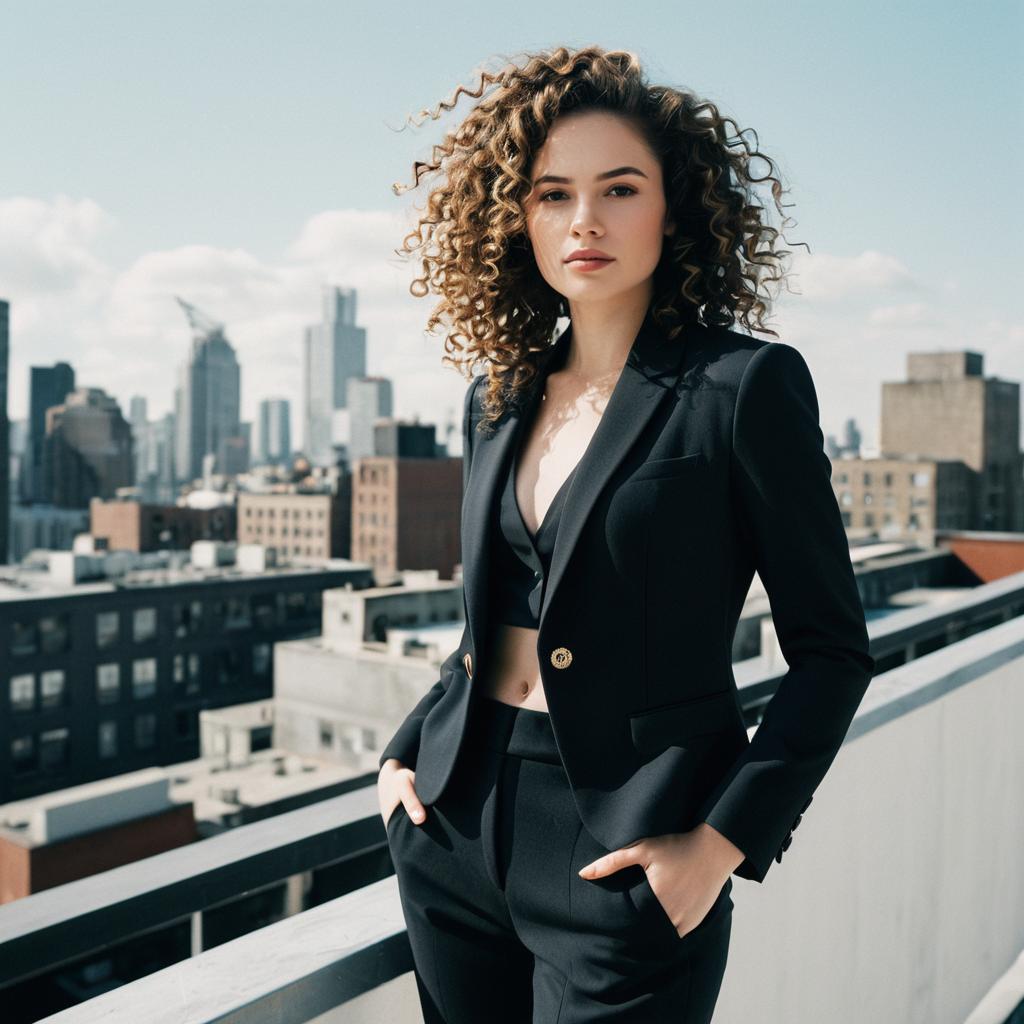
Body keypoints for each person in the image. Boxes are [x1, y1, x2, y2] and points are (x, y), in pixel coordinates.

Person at [376, 44, 875, 1024]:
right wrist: (403, 755)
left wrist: (722, 844)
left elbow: (831, 650)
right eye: (553, 194)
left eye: (619, 188)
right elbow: (496, 612)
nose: (585, 222)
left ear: (673, 205)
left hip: (627, 847)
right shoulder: (498, 392)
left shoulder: (742, 388)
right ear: (516, 217)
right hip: (456, 819)